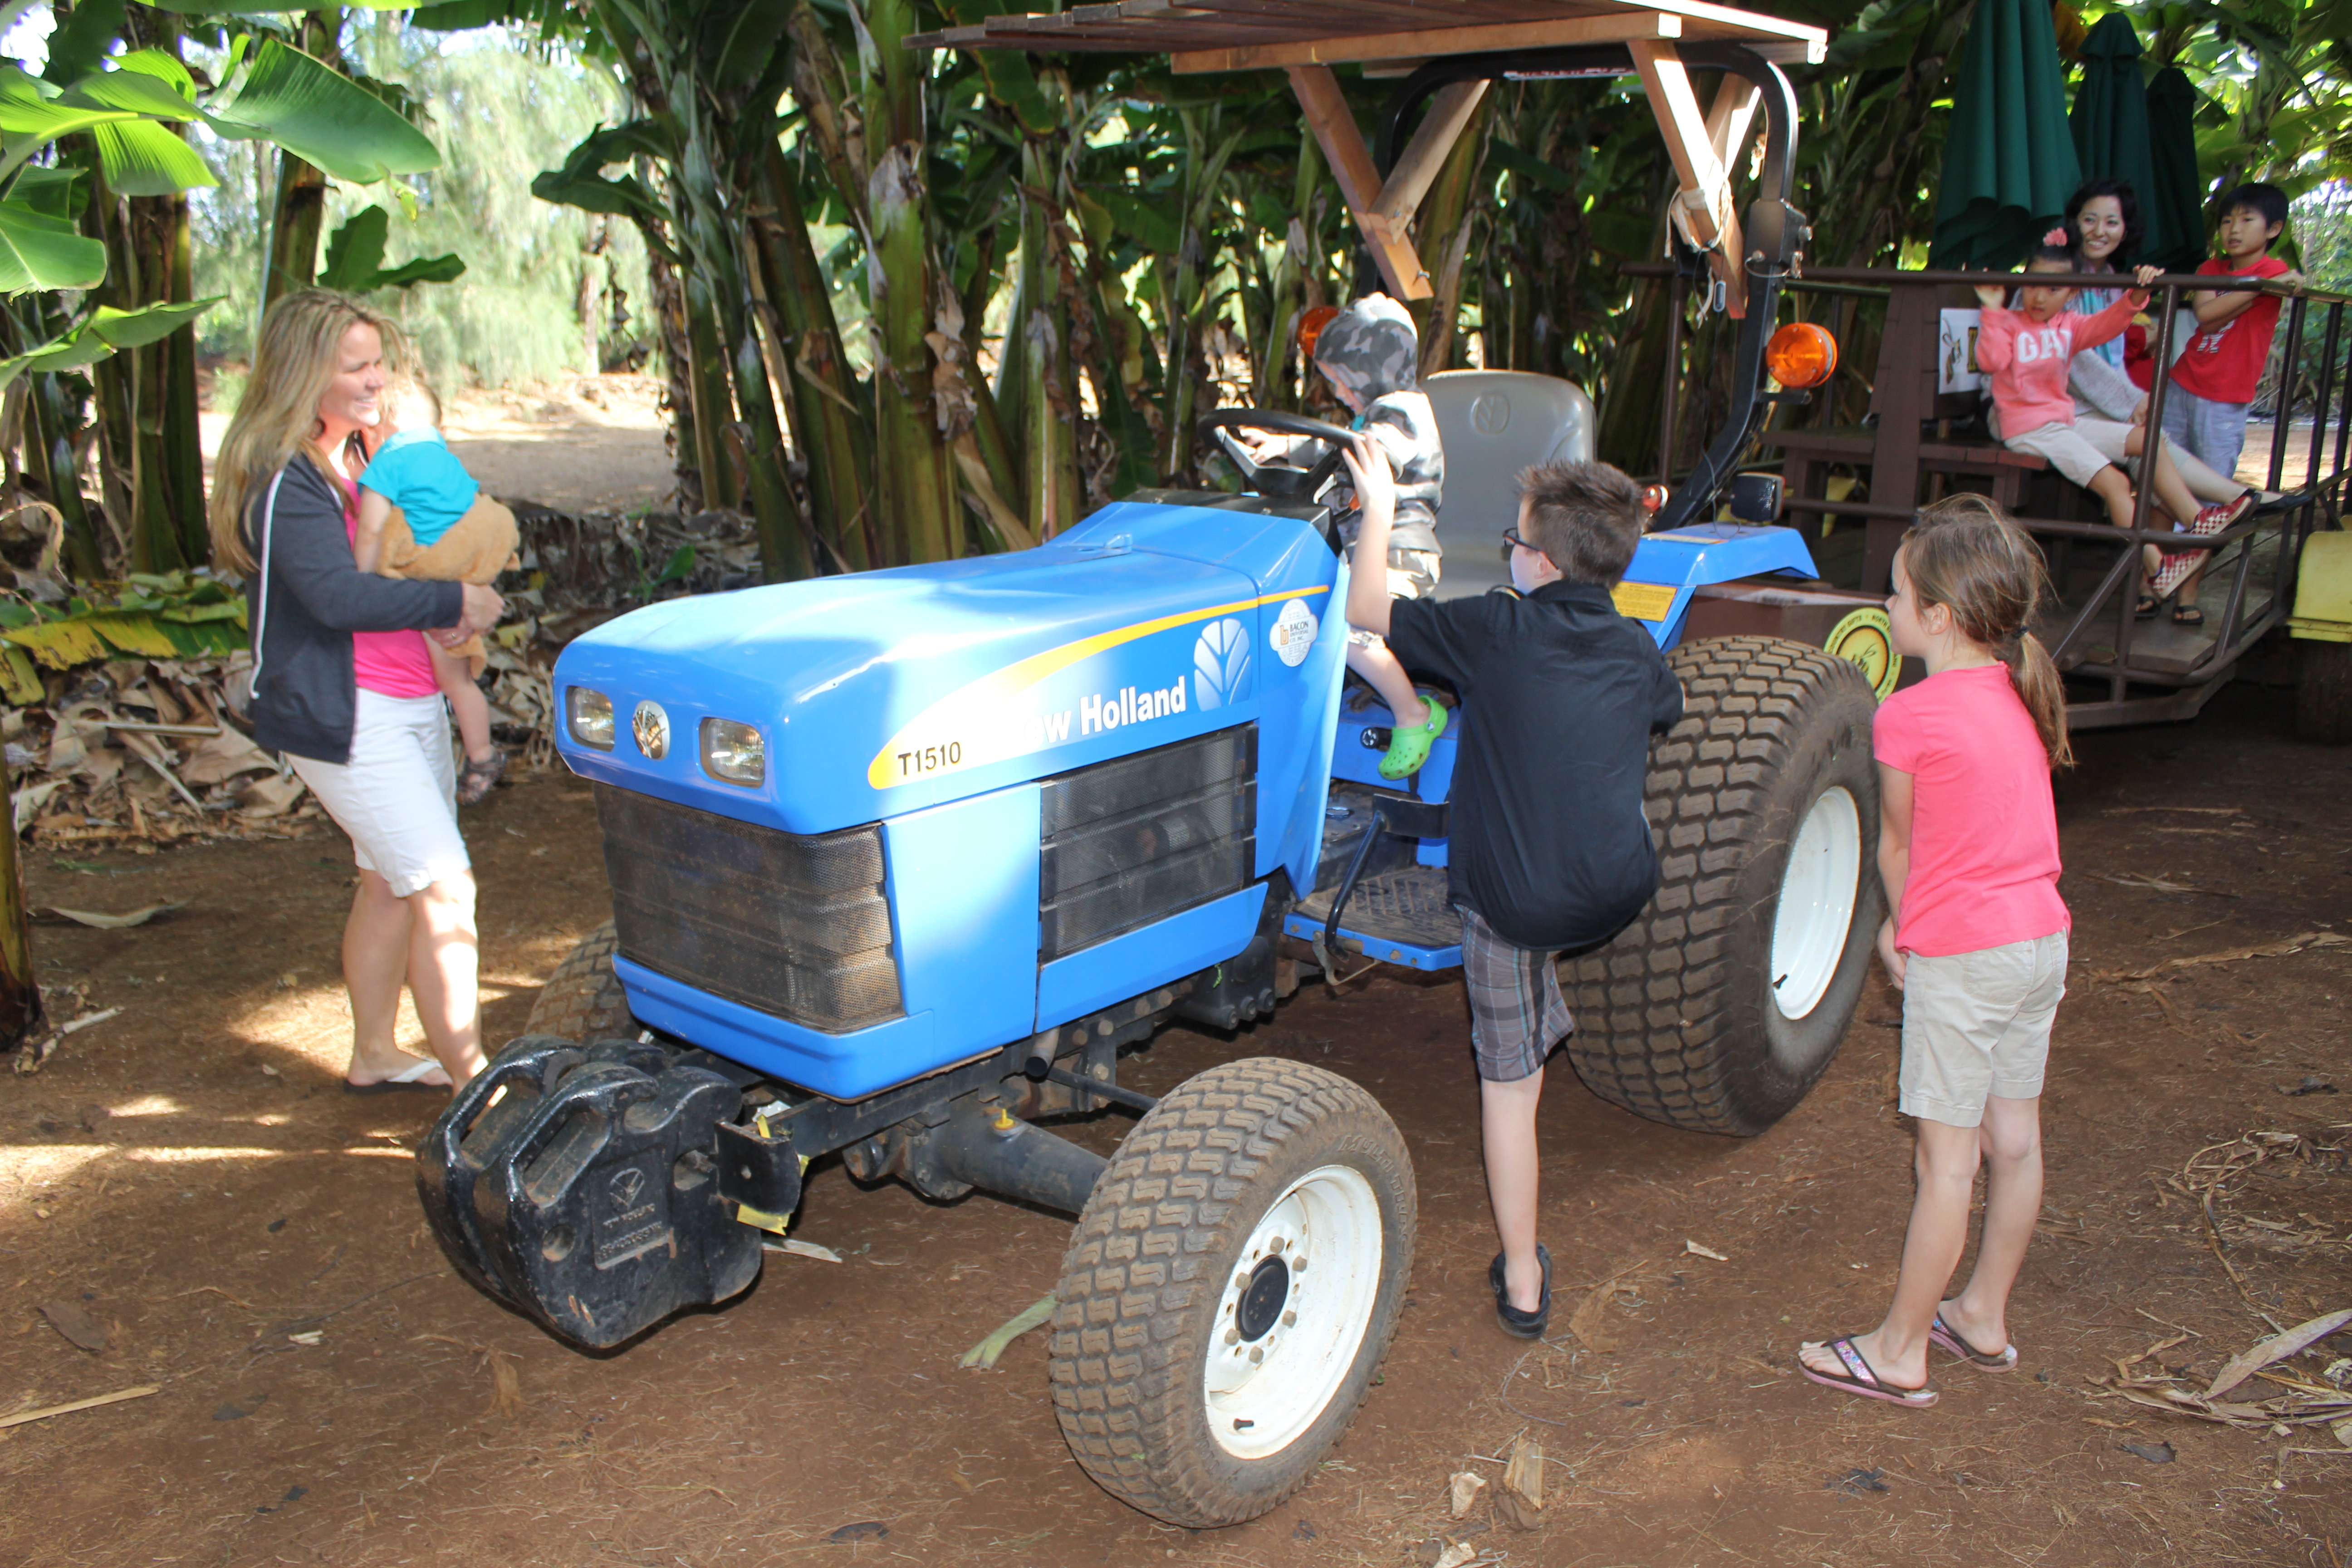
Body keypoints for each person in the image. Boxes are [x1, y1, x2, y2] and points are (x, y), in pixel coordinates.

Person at [1340, 437, 1682, 1338]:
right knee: (1583, 820)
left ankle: (1523, 1275)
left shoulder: (1496, 628)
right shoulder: (1637, 644)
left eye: (1511, 541)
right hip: (1618, 887)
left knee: (1511, 1086)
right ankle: (1545, 1007)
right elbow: (1664, 708)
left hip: (1515, 903)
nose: (1508, 554)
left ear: (1539, 561)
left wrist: (1378, 509)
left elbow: (1368, 607)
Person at [1797, 496, 2071, 1408]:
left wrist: (1898, 928)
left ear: (1939, 618)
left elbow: (1900, 846)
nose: (1888, 606)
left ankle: (1901, 1348)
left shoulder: (1908, 716)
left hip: (1969, 953)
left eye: (1898, 594)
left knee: (1947, 1163)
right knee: (2015, 1140)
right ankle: (1983, 1316)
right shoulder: (2019, 691)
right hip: (2041, 940)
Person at [207, 290, 505, 1095]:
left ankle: (374, 1052)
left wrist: (450, 606)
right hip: (346, 719)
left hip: (409, 700)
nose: (378, 379)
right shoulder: (286, 482)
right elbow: (336, 599)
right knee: (443, 884)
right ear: (306, 376)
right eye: (357, 366)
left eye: (379, 361)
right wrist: (451, 603)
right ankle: (476, 1083)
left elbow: (403, 561)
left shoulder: (365, 456)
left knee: (387, 883)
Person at [1973, 236, 2242, 619]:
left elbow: (2108, 324)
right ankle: (2159, 567)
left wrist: (2137, 294)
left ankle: (2198, 519)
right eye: (2033, 284)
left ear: (2071, 294)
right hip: (2029, 430)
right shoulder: (2011, 323)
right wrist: (1993, 310)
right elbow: (1991, 359)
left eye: (2054, 288)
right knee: (2116, 484)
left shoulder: (2070, 325)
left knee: (2146, 440)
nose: (2040, 297)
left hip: (2064, 422)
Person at [1248, 295, 1450, 779]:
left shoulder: (1405, 413)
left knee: (1351, 630)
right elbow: (1342, 446)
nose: (1339, 394)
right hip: (1362, 556)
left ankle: (1415, 714)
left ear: (1369, 371)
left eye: (1343, 383)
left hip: (1404, 554)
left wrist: (1306, 447)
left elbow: (1370, 454)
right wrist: (1284, 447)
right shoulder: (1375, 414)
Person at [352, 378, 519, 805]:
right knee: (462, 680)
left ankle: (481, 754)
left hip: (438, 579)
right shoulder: (446, 461)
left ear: (381, 428)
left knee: (454, 680)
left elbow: (371, 527)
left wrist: (359, 580)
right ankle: (480, 751)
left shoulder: (390, 460)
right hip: (468, 568)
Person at [2060, 181, 2254, 515]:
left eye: (2111, 222)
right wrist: (2130, 402)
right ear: (2074, 222)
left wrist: (2130, 403)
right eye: (2090, 220)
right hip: (2059, 405)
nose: (2099, 231)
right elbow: (2070, 356)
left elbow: (2112, 355)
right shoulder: (2056, 274)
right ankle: (2229, 504)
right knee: (2149, 446)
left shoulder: (2109, 277)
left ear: (2125, 229)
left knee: (2153, 451)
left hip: (2091, 405)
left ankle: (2225, 508)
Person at [2159, 183, 2303, 627]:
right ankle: (2150, 580)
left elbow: (2294, 286)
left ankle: (2188, 593)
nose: (2233, 229)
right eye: (2226, 220)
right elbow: (2205, 313)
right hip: (2182, 383)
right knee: (2159, 481)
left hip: (2225, 399)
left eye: (2246, 220)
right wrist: (2262, 287)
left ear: (2274, 228)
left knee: (2214, 495)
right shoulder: (2213, 266)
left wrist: (2269, 283)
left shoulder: (2276, 269)